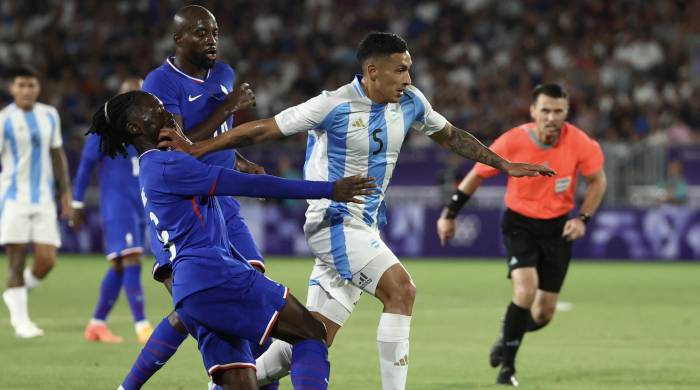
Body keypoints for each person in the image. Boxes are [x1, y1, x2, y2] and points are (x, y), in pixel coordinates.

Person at [158, 32, 554, 390]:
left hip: (363, 225)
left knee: (313, 335)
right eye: (400, 70)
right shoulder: (334, 105)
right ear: (372, 71)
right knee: (402, 291)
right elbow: (262, 129)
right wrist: (198, 148)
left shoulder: (412, 103)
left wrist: (503, 164)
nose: (408, 79)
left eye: (409, 69)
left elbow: (451, 136)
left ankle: (225, 386)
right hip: (332, 221)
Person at [92, 90, 375, 389]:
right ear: (136, 128)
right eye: (157, 110)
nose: (167, 114)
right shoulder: (171, 166)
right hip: (217, 277)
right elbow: (249, 185)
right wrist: (330, 190)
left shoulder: (153, 169)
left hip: (192, 295)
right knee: (312, 333)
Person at [130, 5, 277, 387]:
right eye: (200, 33)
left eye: (214, 32)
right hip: (185, 209)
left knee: (252, 297)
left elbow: (219, 137)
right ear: (178, 39)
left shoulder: (224, 74)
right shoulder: (161, 82)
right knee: (197, 308)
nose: (211, 39)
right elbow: (179, 146)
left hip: (222, 202)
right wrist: (229, 106)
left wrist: (239, 160)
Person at [436, 84, 607, 386]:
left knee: (543, 313)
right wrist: (449, 214)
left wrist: (583, 218)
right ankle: (508, 371)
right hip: (520, 225)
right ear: (533, 111)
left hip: (558, 228)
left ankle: (507, 334)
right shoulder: (513, 140)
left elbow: (598, 181)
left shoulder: (580, 143)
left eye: (558, 111)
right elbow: (476, 175)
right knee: (525, 292)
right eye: (545, 110)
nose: (552, 117)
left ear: (566, 112)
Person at [70, 78, 153, 344]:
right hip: (118, 206)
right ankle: (142, 325)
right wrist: (77, 203)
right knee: (131, 259)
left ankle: (96, 324)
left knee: (119, 265)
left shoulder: (148, 131)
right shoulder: (104, 132)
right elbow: (85, 167)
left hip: (141, 206)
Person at [0, 65, 72, 338]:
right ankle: (21, 322)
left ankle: (15, 294)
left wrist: (65, 192)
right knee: (16, 260)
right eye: (21, 85)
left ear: (38, 88)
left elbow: (57, 155)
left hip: (43, 198)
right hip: (13, 198)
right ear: (12, 89)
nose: (26, 90)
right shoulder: (4, 119)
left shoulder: (49, 115)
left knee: (47, 259)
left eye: (31, 85)